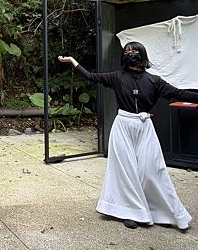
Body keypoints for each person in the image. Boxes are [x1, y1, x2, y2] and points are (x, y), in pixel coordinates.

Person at [58, 42, 195, 230]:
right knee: (126, 170)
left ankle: (162, 212)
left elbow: (179, 93)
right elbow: (91, 76)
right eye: (127, 51)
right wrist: (72, 61)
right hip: (123, 126)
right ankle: (132, 212)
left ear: (142, 54)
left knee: (152, 170)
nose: (130, 53)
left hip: (144, 127)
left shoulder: (154, 81)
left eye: (134, 50)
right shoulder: (117, 77)